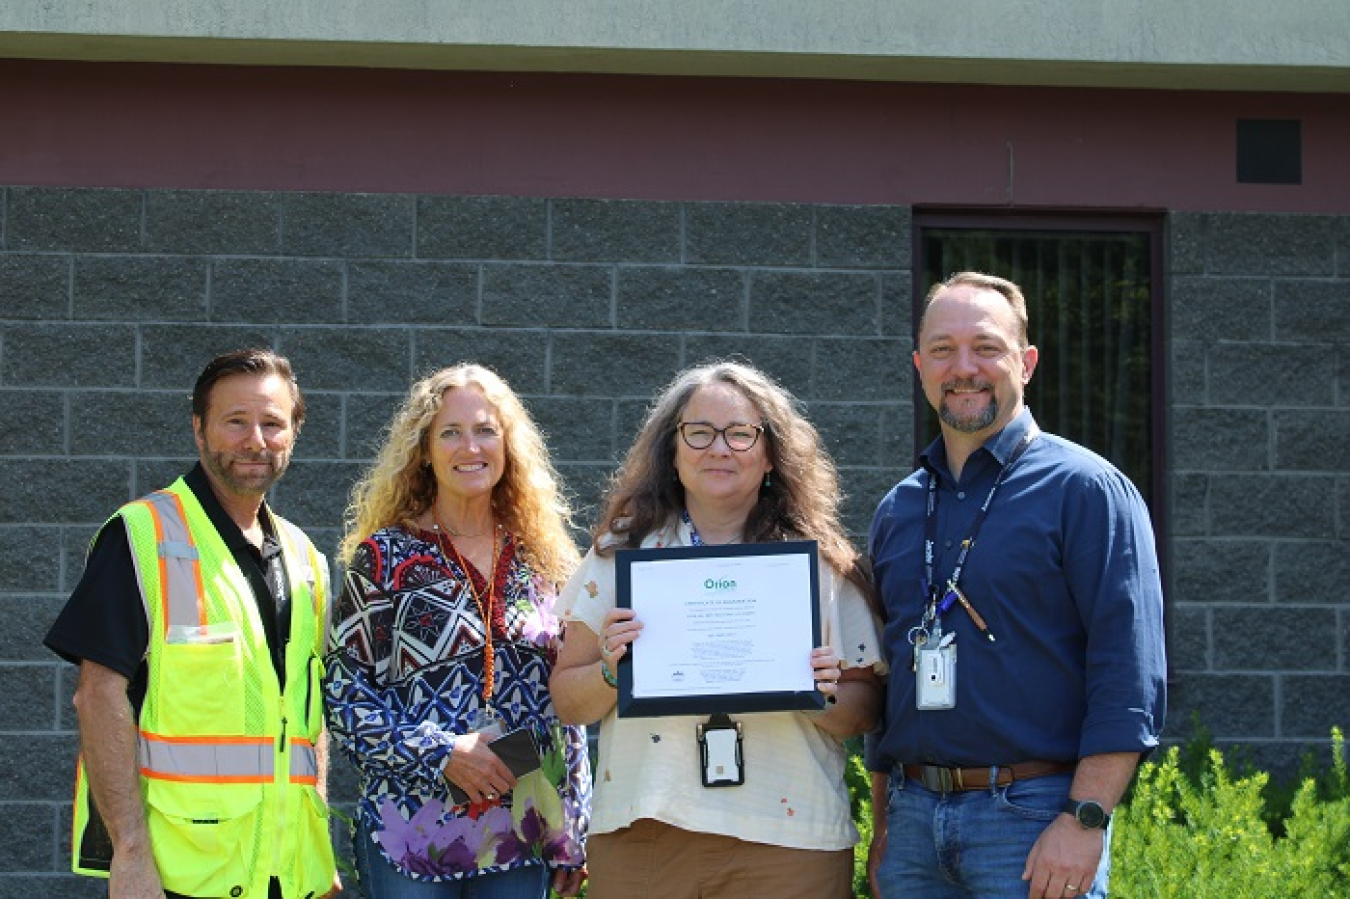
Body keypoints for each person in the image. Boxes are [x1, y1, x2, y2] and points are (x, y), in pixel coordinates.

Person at [866, 271, 1167, 899]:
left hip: (1035, 821)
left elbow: (1128, 674)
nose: (964, 367)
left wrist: (1086, 819)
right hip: (914, 825)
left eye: (987, 347)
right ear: (920, 365)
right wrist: (887, 825)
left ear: (1026, 363)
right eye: (943, 350)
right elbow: (887, 677)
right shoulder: (898, 510)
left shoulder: (1086, 491)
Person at [549, 360, 887, 899]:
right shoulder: (619, 556)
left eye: (740, 433)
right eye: (699, 433)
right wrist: (612, 673)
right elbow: (568, 701)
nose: (719, 448)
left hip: (790, 839)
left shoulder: (820, 566)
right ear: (673, 452)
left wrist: (817, 693)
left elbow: (866, 709)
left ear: (771, 453)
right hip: (647, 836)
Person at [44, 348, 339, 899]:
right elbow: (98, 697)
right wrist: (129, 853)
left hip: (293, 874)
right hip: (181, 874)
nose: (255, 439)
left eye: (272, 423)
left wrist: (317, 847)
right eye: (235, 421)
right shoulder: (140, 536)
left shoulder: (305, 559)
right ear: (199, 429)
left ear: (294, 432)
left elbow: (303, 719)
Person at [323, 364, 589, 899]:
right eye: (451, 432)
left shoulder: (543, 561)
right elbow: (344, 697)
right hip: (411, 833)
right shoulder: (385, 559)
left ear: (508, 444)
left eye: (486, 430)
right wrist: (441, 751)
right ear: (424, 450)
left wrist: (574, 821)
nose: (471, 446)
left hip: (521, 831)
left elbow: (568, 699)